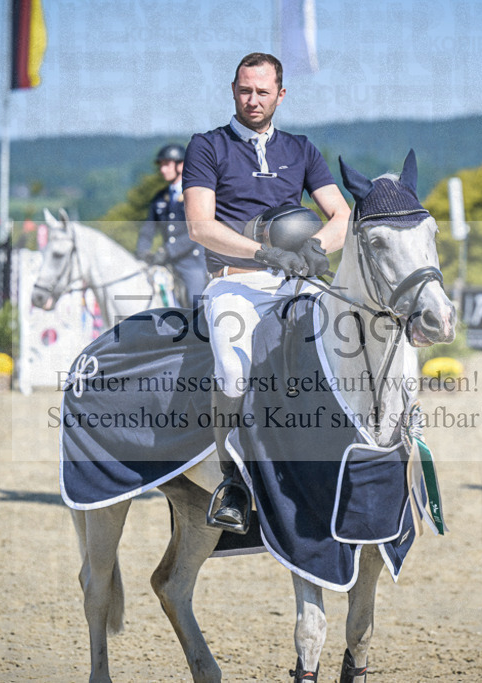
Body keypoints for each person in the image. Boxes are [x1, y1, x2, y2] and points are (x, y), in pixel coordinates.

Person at [183, 52, 351, 532]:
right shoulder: (207, 146)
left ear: (281, 94)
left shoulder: (301, 149)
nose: (252, 100)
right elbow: (199, 225)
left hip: (298, 284)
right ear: (232, 90)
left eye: (262, 91)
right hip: (234, 284)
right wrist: (261, 254)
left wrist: (319, 246)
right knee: (234, 370)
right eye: (244, 90)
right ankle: (232, 480)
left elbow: (342, 215)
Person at [135, 143, 207, 306]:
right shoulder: (160, 197)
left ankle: (201, 330)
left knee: (196, 301)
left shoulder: (195, 194)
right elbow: (148, 230)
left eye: (167, 165)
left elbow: (196, 232)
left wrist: (168, 251)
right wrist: (142, 253)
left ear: (181, 165)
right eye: (161, 165)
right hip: (166, 263)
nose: (162, 169)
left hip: (192, 262)